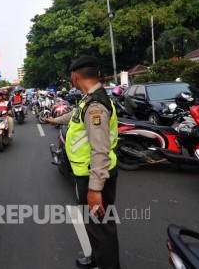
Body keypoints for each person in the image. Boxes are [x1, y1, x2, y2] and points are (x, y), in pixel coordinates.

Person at [44, 56, 120, 269]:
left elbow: (100, 149)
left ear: (75, 75)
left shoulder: (96, 105)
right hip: (84, 173)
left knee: (102, 226)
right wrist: (54, 120)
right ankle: (97, 257)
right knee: (94, 224)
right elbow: (74, 116)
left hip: (94, 176)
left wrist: (95, 189)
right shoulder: (89, 99)